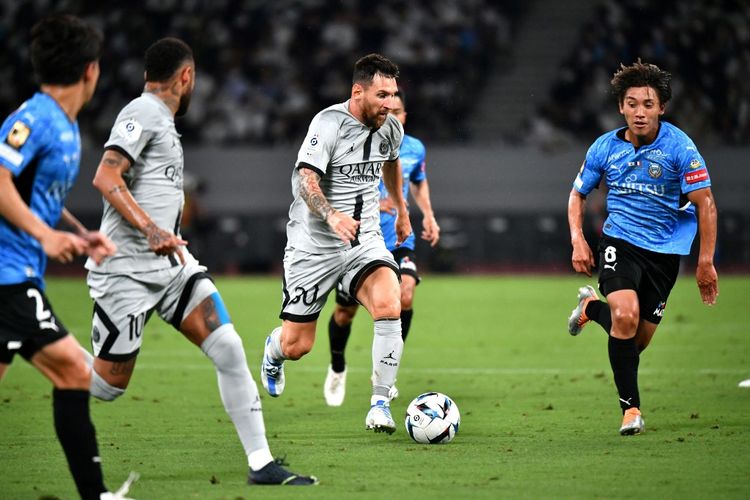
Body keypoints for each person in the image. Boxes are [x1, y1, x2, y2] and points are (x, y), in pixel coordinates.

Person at [84, 37, 317, 486]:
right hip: (127, 271)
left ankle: (261, 464)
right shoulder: (143, 112)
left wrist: (164, 236)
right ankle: (40, 347)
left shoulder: (163, 122)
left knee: (228, 347)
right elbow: (105, 174)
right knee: (108, 386)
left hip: (172, 266)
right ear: (186, 76)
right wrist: (151, 229)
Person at [0, 15, 140, 500]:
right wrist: (42, 235)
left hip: (17, 271)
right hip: (7, 275)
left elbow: (34, 192)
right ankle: (95, 495)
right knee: (74, 369)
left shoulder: (63, 126)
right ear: (91, 70)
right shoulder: (33, 119)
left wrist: (80, 234)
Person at [260, 53, 411, 434]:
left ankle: (380, 403)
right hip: (314, 246)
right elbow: (305, 179)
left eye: (393, 94)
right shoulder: (328, 123)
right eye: (381, 95)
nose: (389, 103)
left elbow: (391, 162)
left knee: (390, 303)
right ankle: (273, 350)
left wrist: (402, 209)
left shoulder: (391, 128)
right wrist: (331, 215)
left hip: (365, 242)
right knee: (298, 346)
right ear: (357, 91)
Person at [567, 60, 719, 436]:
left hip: (666, 253)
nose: (639, 112)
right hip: (620, 241)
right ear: (621, 107)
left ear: (661, 108)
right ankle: (631, 410)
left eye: (648, 104)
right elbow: (577, 195)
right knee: (626, 316)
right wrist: (578, 239)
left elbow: (706, 204)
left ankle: (590, 308)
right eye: (632, 103)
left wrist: (705, 263)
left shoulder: (680, 147)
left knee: (635, 342)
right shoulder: (604, 147)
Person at [323, 88, 439, 406]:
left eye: (398, 111)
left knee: (405, 294)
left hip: (400, 240)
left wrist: (427, 214)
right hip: (361, 242)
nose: (392, 115)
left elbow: (418, 181)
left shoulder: (414, 148)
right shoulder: (362, 142)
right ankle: (337, 366)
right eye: (388, 109)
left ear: (404, 116)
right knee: (344, 313)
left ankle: (385, 373)